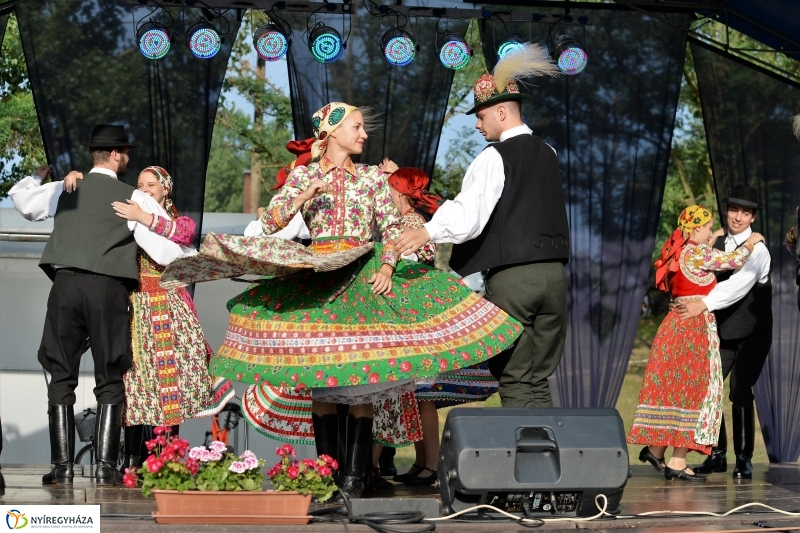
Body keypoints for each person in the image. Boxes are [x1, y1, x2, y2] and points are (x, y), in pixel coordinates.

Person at [161, 103, 522, 500]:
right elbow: (270, 222)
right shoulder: (306, 175)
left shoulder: (371, 178)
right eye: (356, 127)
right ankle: (327, 478)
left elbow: (390, 226)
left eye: (363, 128)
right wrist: (303, 195)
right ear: (331, 133)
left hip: (362, 279)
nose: (364, 134)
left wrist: (386, 266)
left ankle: (354, 477)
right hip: (319, 279)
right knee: (322, 382)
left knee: (360, 377)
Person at [8, 124, 187, 486]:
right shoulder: (133, 197)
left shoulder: (66, 187)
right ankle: (106, 467)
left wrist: (38, 176)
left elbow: (21, 199)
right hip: (107, 290)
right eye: (127, 154)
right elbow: (167, 249)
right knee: (110, 373)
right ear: (118, 155)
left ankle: (62, 467)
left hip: (66, 286)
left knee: (60, 372)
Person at [395, 44, 568, 409]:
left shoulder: (494, 156)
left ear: (501, 112)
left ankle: (528, 462)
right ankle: (554, 460)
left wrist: (427, 231)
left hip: (514, 281)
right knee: (539, 378)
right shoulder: (548, 152)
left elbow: (469, 215)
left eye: (482, 115)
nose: (476, 123)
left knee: (516, 377)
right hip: (555, 278)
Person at [63, 166, 234, 474]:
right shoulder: (126, 215)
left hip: (169, 310)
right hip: (134, 309)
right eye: (139, 184)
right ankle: (131, 461)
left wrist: (144, 217)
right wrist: (80, 178)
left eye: (151, 185)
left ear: (165, 189)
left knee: (170, 386)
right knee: (134, 385)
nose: (143, 189)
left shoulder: (176, 220)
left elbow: (185, 233)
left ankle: (168, 461)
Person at [374, 166, 498, 486]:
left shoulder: (411, 222)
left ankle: (424, 464)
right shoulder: (419, 220)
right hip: (418, 315)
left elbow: (413, 263)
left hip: (412, 316)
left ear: (400, 194)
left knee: (415, 392)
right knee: (418, 394)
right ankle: (425, 462)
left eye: (390, 190)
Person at [628, 205, 764, 482]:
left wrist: (710, 237)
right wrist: (752, 242)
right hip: (694, 328)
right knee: (697, 391)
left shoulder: (678, 250)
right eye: (707, 226)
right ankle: (675, 461)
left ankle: (657, 450)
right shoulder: (698, 253)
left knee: (679, 390)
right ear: (696, 229)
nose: (710, 231)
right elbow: (732, 260)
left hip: (674, 326)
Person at [677, 186, 772, 479]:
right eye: (734, 211)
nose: (738, 217)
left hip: (753, 333)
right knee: (709, 390)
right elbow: (695, 274)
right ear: (727, 211)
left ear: (752, 216)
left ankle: (744, 458)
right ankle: (716, 455)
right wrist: (682, 299)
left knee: (740, 391)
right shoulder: (716, 247)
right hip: (723, 330)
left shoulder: (758, 249)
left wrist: (702, 304)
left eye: (745, 213)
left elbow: (737, 285)